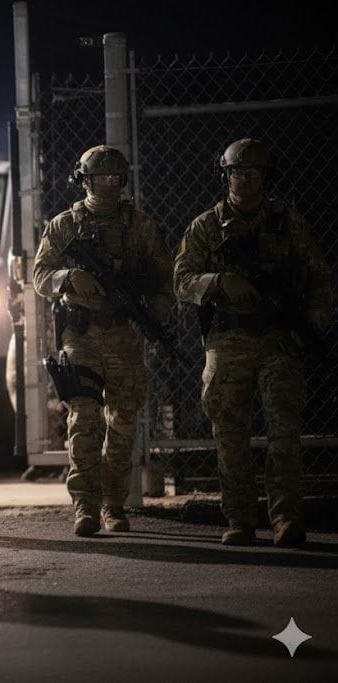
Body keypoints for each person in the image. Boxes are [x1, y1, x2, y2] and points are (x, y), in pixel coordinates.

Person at [174, 138, 332, 547]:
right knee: (230, 435)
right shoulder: (207, 226)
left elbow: (317, 276)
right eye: (236, 173)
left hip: (279, 339)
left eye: (253, 173)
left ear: (266, 176)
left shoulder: (286, 222)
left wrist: (315, 317)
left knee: (284, 434)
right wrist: (220, 281)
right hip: (228, 340)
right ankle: (240, 519)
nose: (244, 180)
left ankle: (285, 519)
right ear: (224, 175)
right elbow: (182, 280)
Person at [33, 145, 174, 537]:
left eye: (114, 179)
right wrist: (68, 278)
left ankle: (114, 503)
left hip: (125, 335)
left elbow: (166, 279)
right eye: (99, 178)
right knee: (84, 418)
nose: (107, 186)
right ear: (84, 180)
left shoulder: (139, 226)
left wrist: (155, 311)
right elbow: (41, 275)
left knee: (124, 423)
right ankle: (86, 506)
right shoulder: (65, 225)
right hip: (81, 336)